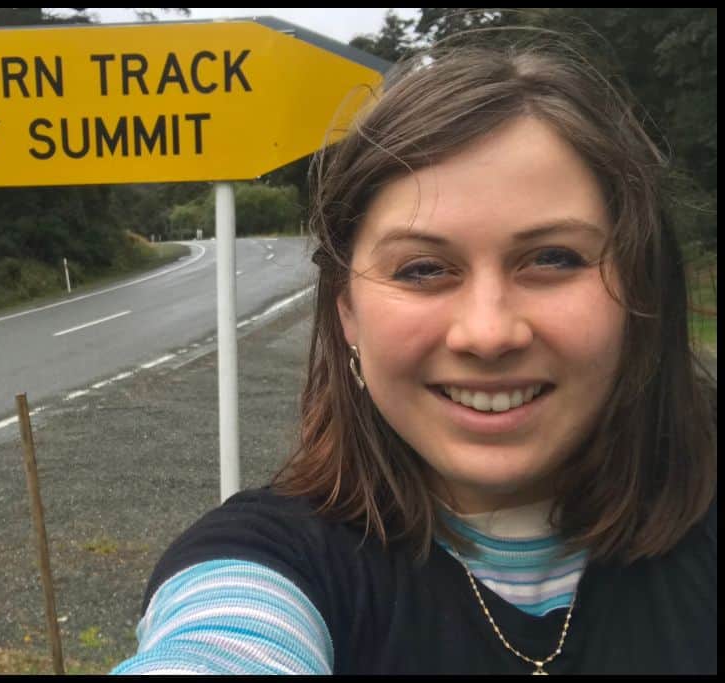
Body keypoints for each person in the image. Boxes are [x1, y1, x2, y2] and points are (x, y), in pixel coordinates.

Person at [111, 36, 717, 675]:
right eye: (424, 268)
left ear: (643, 290)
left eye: (553, 258)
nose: (487, 334)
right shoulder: (267, 565)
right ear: (346, 309)